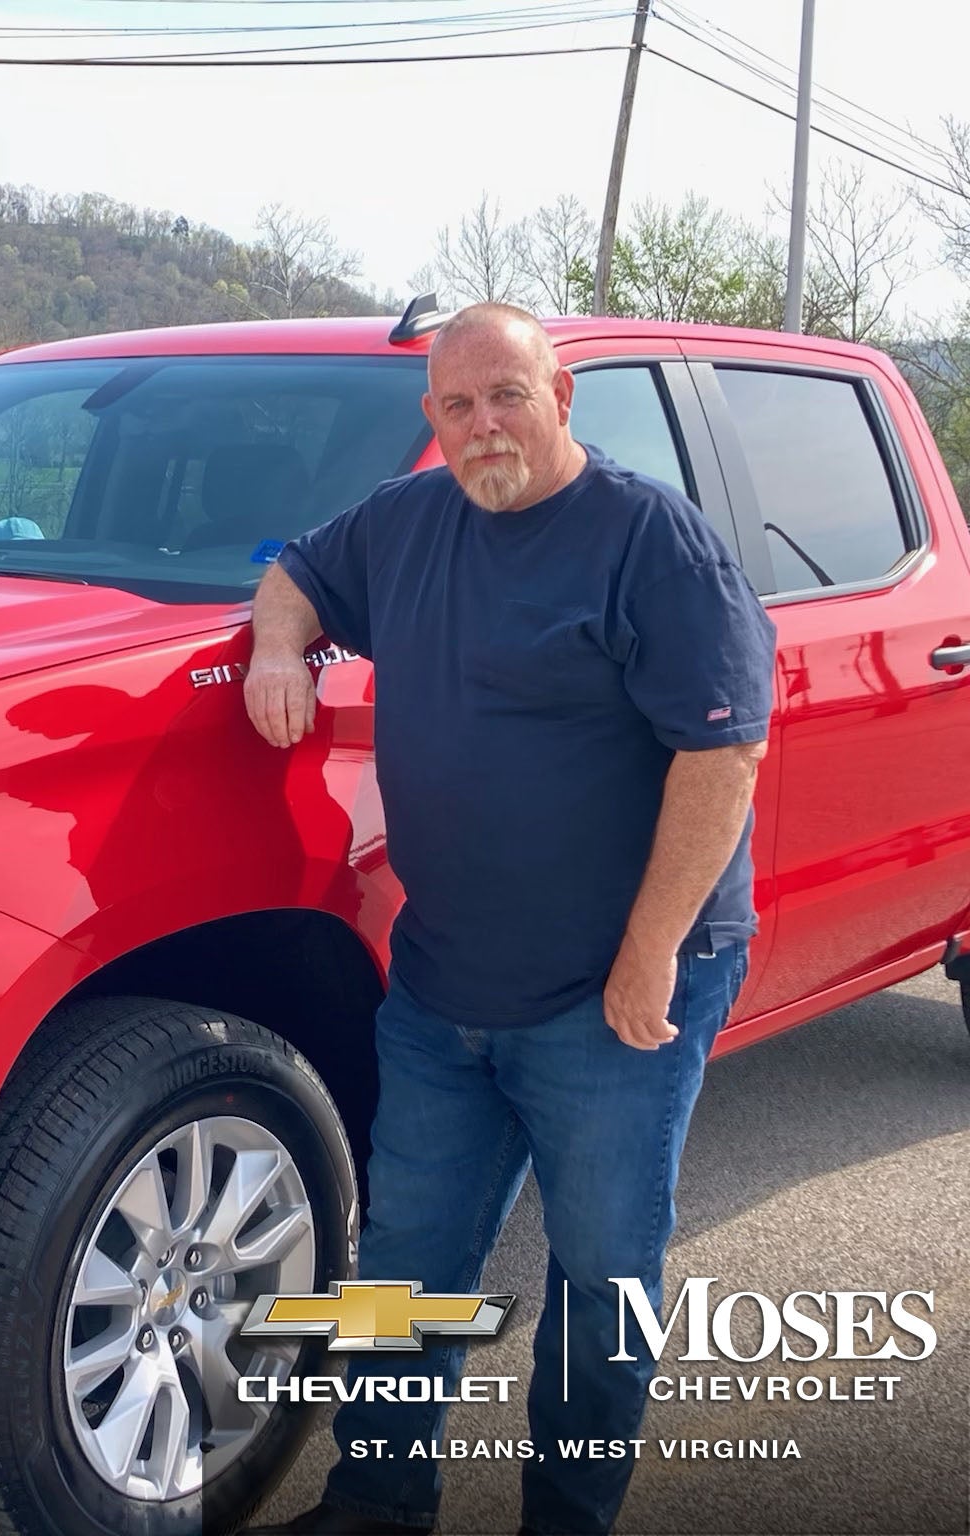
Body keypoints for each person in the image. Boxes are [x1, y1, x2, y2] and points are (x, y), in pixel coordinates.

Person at [241, 303, 777, 1536]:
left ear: (561, 401)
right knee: (406, 1267)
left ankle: (569, 1518)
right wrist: (281, 648)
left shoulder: (650, 542)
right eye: (458, 405)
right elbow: (298, 571)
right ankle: (377, 1501)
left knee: (603, 1279)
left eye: (508, 397)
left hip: (614, 995)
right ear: (432, 420)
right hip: (444, 986)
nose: (485, 425)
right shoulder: (406, 522)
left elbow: (724, 754)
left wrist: (645, 964)